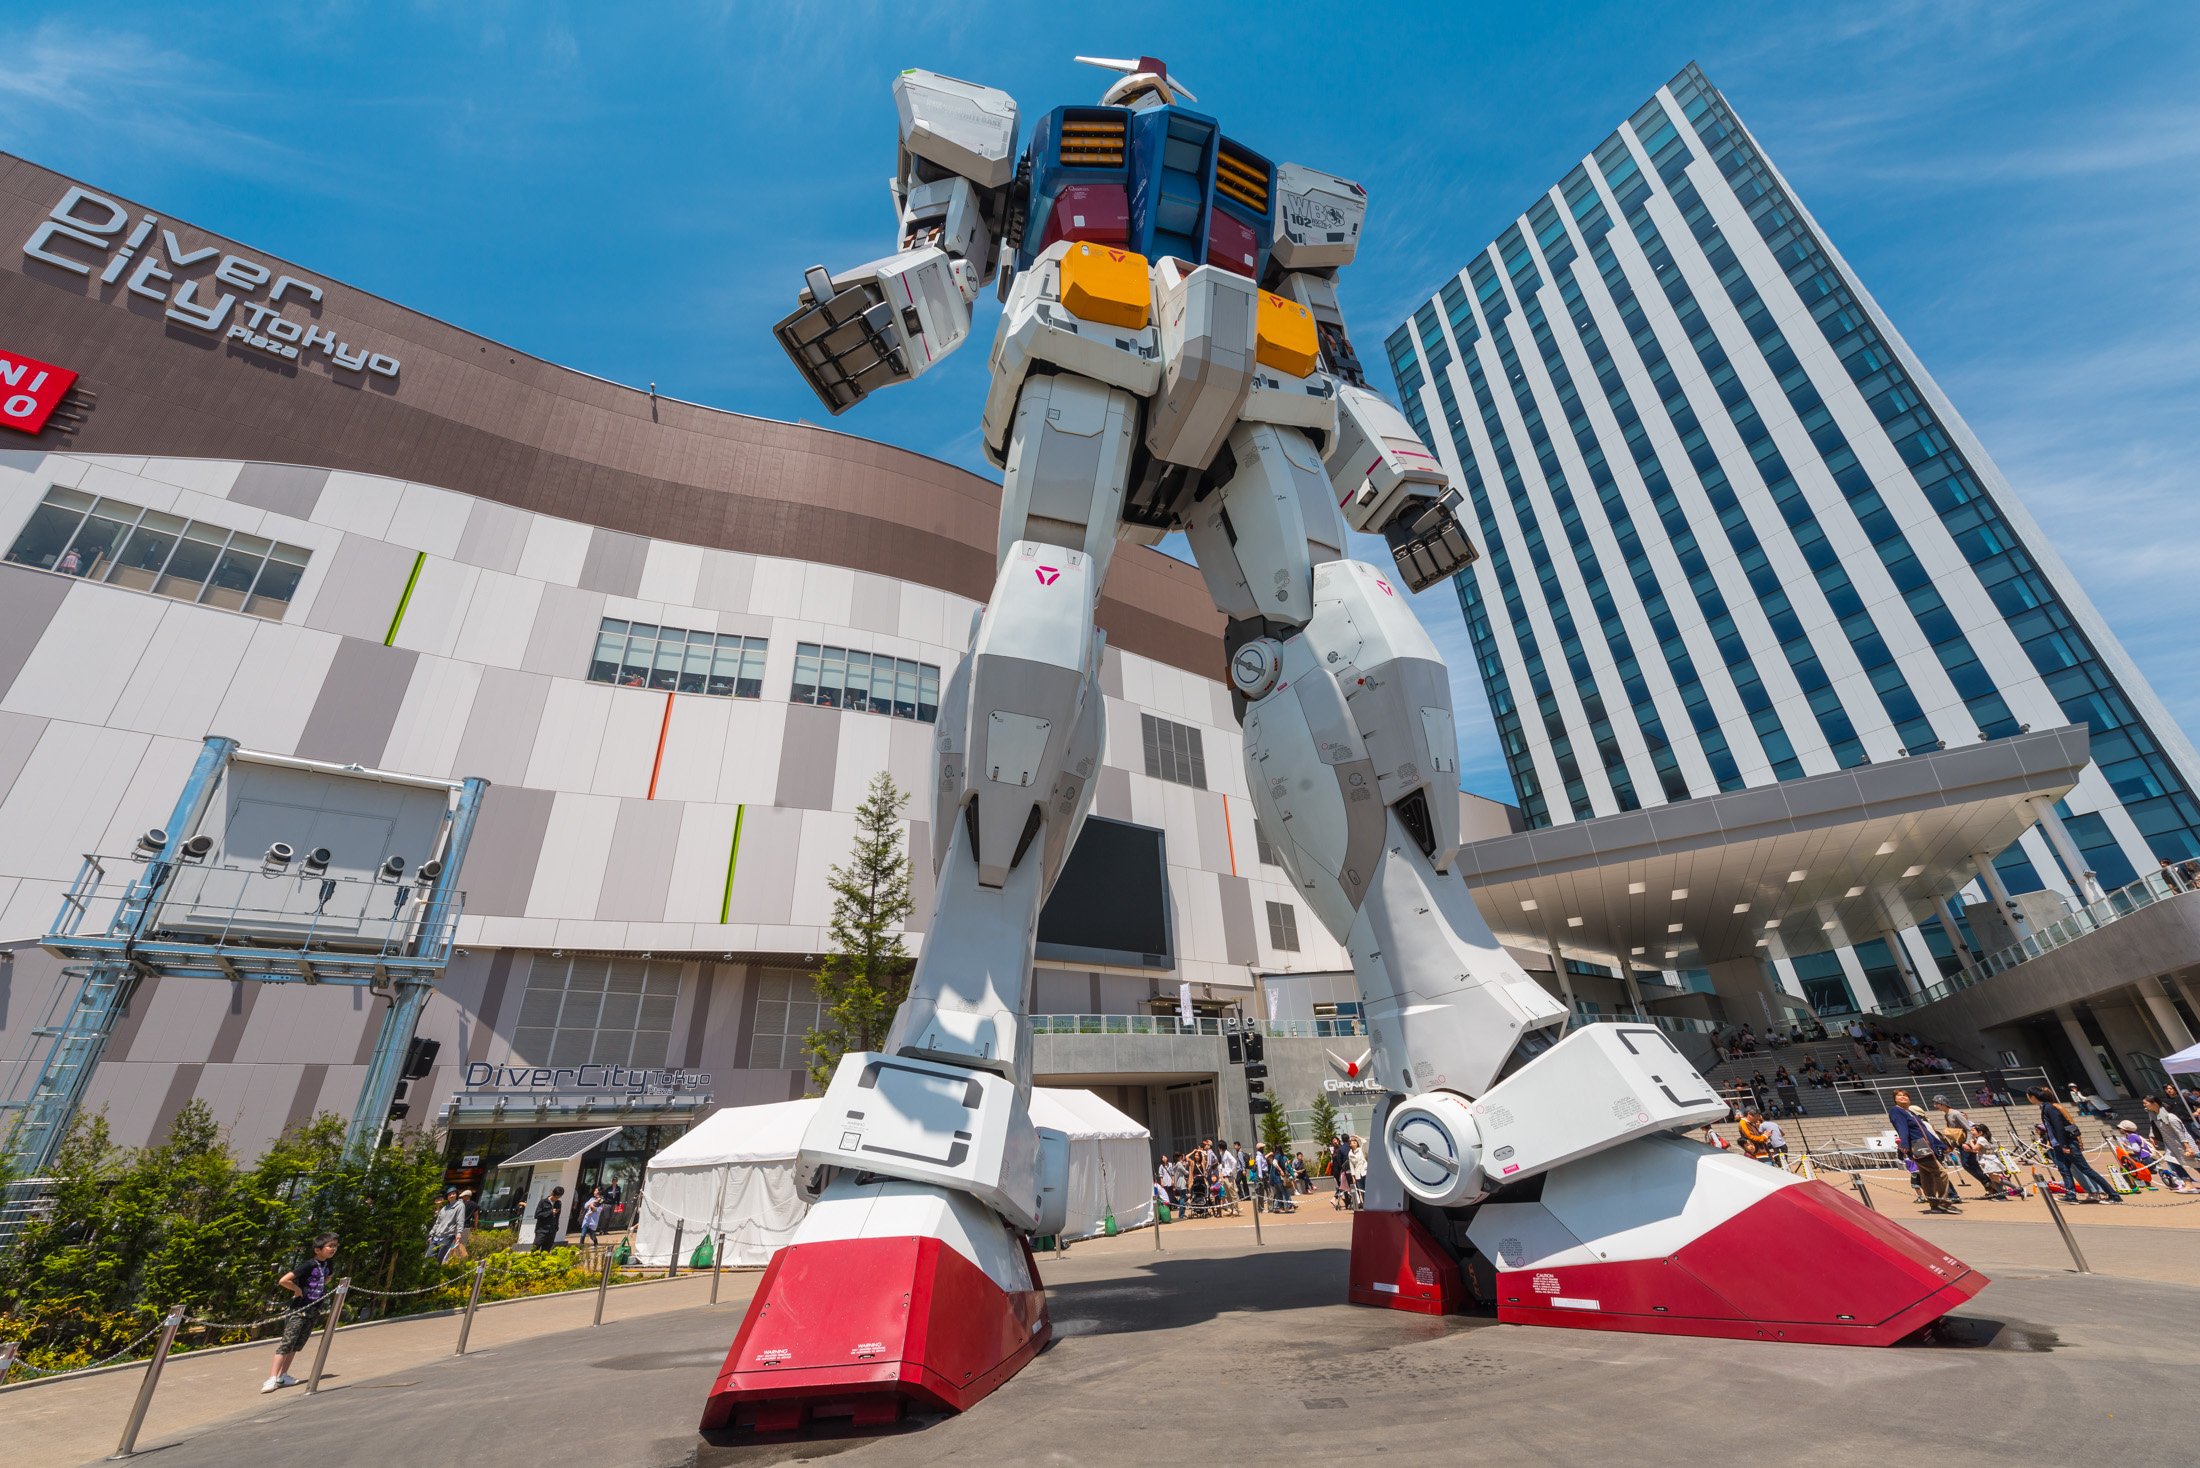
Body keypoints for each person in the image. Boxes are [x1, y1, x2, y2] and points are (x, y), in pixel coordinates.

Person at [263, 1233, 340, 1393]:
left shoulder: (329, 1264)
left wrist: (320, 1289)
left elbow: (328, 1278)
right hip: (300, 1309)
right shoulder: (309, 1264)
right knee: (287, 1343)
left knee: (297, 1345)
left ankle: (282, 1375)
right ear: (317, 1250)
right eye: (330, 1245)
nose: (333, 1248)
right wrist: (297, 1290)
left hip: (314, 1308)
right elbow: (284, 1280)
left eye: (335, 1245)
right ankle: (271, 1378)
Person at [2032, 1086, 2122, 1204]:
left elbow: (2067, 1125)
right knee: (2064, 1170)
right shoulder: (2045, 1108)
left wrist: (2072, 1142)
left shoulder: (2053, 1107)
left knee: (2085, 1169)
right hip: (2058, 1145)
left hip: (2066, 1144)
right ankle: (2070, 1195)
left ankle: (2113, 1195)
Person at [1889, 1090, 1958, 1214]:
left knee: (1926, 1176)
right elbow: (1902, 1128)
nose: (1903, 1097)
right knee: (1940, 1173)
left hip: (1925, 1146)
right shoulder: (1896, 1111)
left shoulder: (1911, 1113)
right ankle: (1944, 1202)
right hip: (1918, 1147)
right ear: (1895, 1099)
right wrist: (1904, 1144)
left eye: (1905, 1095)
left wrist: (1940, 1145)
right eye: (1899, 1095)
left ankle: (1934, 1205)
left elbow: (1925, 1131)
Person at [1931, 1097, 2000, 1200]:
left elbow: (1968, 1129)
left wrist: (1968, 1143)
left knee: (1968, 1164)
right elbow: (1955, 1132)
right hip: (1961, 1143)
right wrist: (1952, 1145)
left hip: (1966, 1144)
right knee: (1970, 1165)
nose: (1935, 1106)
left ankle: (1991, 1185)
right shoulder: (1947, 1115)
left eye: (1937, 1103)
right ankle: (1990, 1188)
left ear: (1943, 1103)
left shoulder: (1955, 1114)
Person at [2144, 1097, 2200, 1192]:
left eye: (2146, 1103)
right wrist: (2152, 1136)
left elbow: (2181, 1133)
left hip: (2183, 1144)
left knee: (2196, 1164)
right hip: (2170, 1144)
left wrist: (2188, 1147)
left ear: (2155, 1103)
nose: (2144, 1105)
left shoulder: (2170, 1117)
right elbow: (2153, 1125)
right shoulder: (2154, 1116)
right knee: (2172, 1162)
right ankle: (2188, 1185)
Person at [426, 1188, 466, 1261]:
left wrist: (459, 1233)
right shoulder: (444, 1208)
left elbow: (460, 1220)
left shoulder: (460, 1206)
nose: (451, 1196)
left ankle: (437, 1271)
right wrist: (430, 1234)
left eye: (453, 1194)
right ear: (447, 1197)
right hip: (437, 1236)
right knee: (429, 1256)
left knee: (440, 1258)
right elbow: (437, 1222)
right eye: (449, 1195)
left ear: (456, 1195)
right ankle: (427, 1271)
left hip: (447, 1236)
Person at [532, 1185, 566, 1249]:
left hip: (552, 1230)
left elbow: (557, 1217)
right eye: (555, 1197)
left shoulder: (558, 1203)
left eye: (558, 1198)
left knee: (547, 1249)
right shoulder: (543, 1202)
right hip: (542, 1229)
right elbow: (537, 1215)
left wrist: (556, 1227)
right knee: (536, 1246)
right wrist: (550, 1212)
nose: (556, 1199)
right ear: (552, 1193)